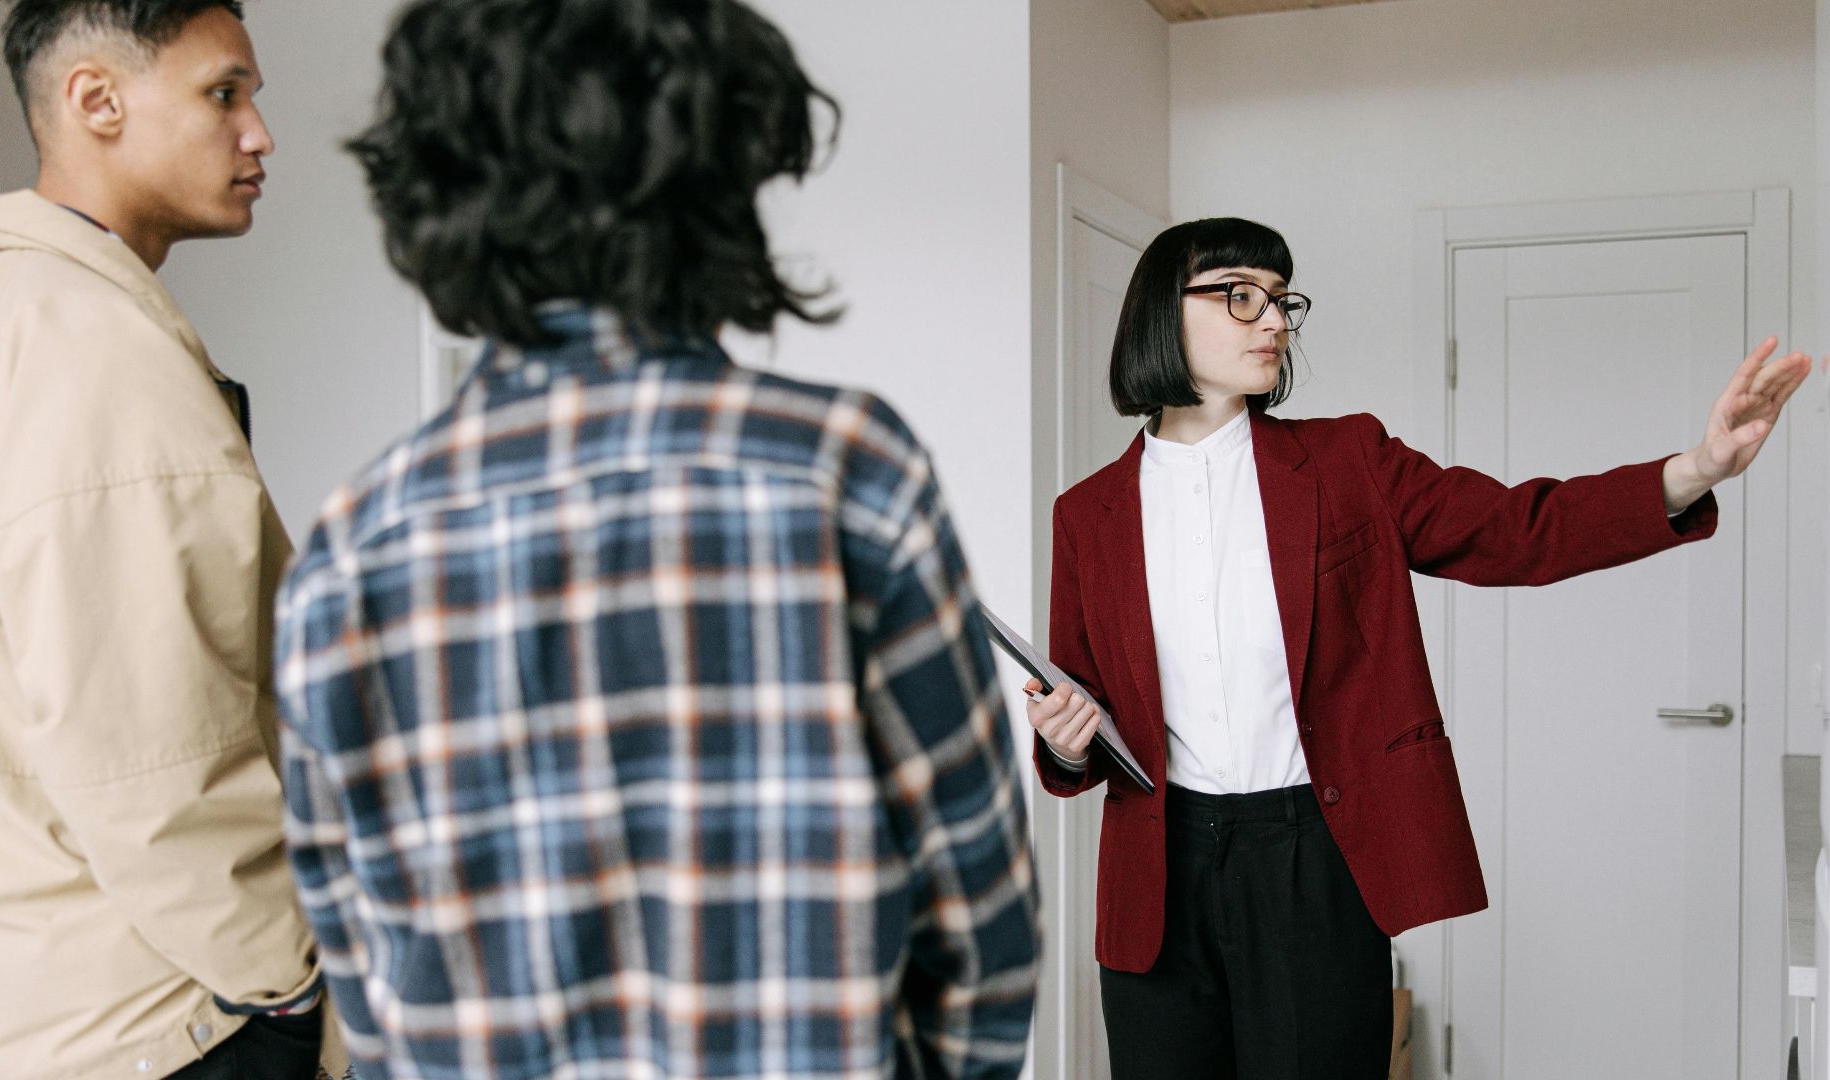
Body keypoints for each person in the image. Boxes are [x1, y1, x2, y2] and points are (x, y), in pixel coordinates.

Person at [271, 1, 1038, 1078]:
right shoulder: (847, 475)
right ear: (722, 179)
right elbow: (983, 930)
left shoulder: (348, 552)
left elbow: (368, 980)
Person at [1023, 217, 1813, 1078]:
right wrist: (1064, 739)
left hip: (1313, 853)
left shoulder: (1345, 459)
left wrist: (1695, 468)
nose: (1275, 321)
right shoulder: (1088, 513)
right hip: (1158, 872)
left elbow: (1519, 529)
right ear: (1159, 316)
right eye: (1241, 296)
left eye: (1284, 302)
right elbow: (1082, 708)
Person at [0, 2, 341, 1077]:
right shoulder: (88, 350)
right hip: (161, 1021)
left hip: (33, 1001)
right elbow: (155, 754)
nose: (259, 134)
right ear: (96, 101)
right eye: (223, 94)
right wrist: (291, 984)